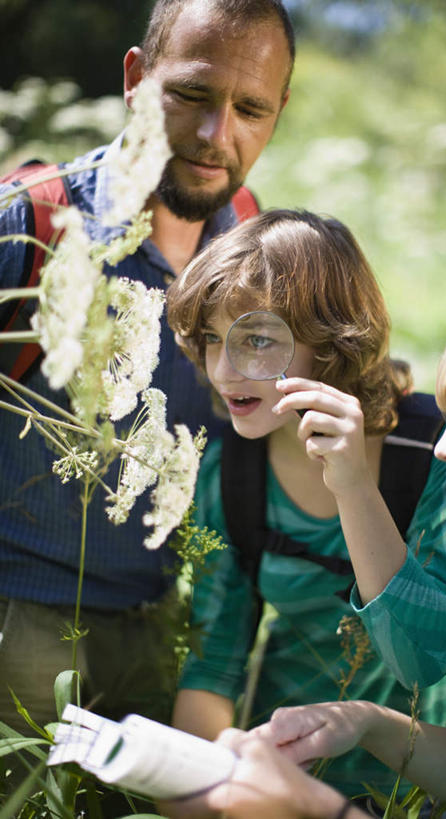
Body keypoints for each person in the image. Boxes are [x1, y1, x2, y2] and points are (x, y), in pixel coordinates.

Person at [0, 0, 294, 734]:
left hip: (168, 639)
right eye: (191, 94)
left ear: (277, 113)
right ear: (136, 77)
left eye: (249, 109)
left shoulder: (255, 251)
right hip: (20, 630)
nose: (214, 134)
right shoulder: (28, 226)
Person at [163, 209, 446, 810]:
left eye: (256, 339)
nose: (222, 370)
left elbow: (420, 663)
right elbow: (213, 665)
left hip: (423, 791)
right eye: (213, 338)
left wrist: (353, 488)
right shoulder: (232, 469)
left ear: (333, 340)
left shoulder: (438, 456)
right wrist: (207, 783)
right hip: (278, 783)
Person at [199, 290, 446, 819]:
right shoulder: (229, 465)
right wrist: (365, 723)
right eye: (208, 340)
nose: (443, 444)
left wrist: (316, 809)